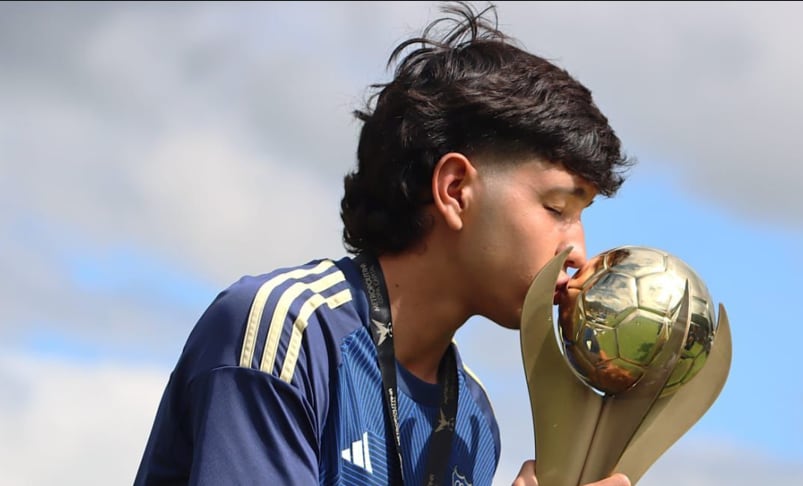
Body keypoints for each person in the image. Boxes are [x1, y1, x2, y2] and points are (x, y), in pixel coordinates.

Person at [135, 2, 634, 485]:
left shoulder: (472, 418)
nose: (578, 253)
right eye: (556, 209)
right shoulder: (287, 331)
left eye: (582, 215)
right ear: (455, 190)